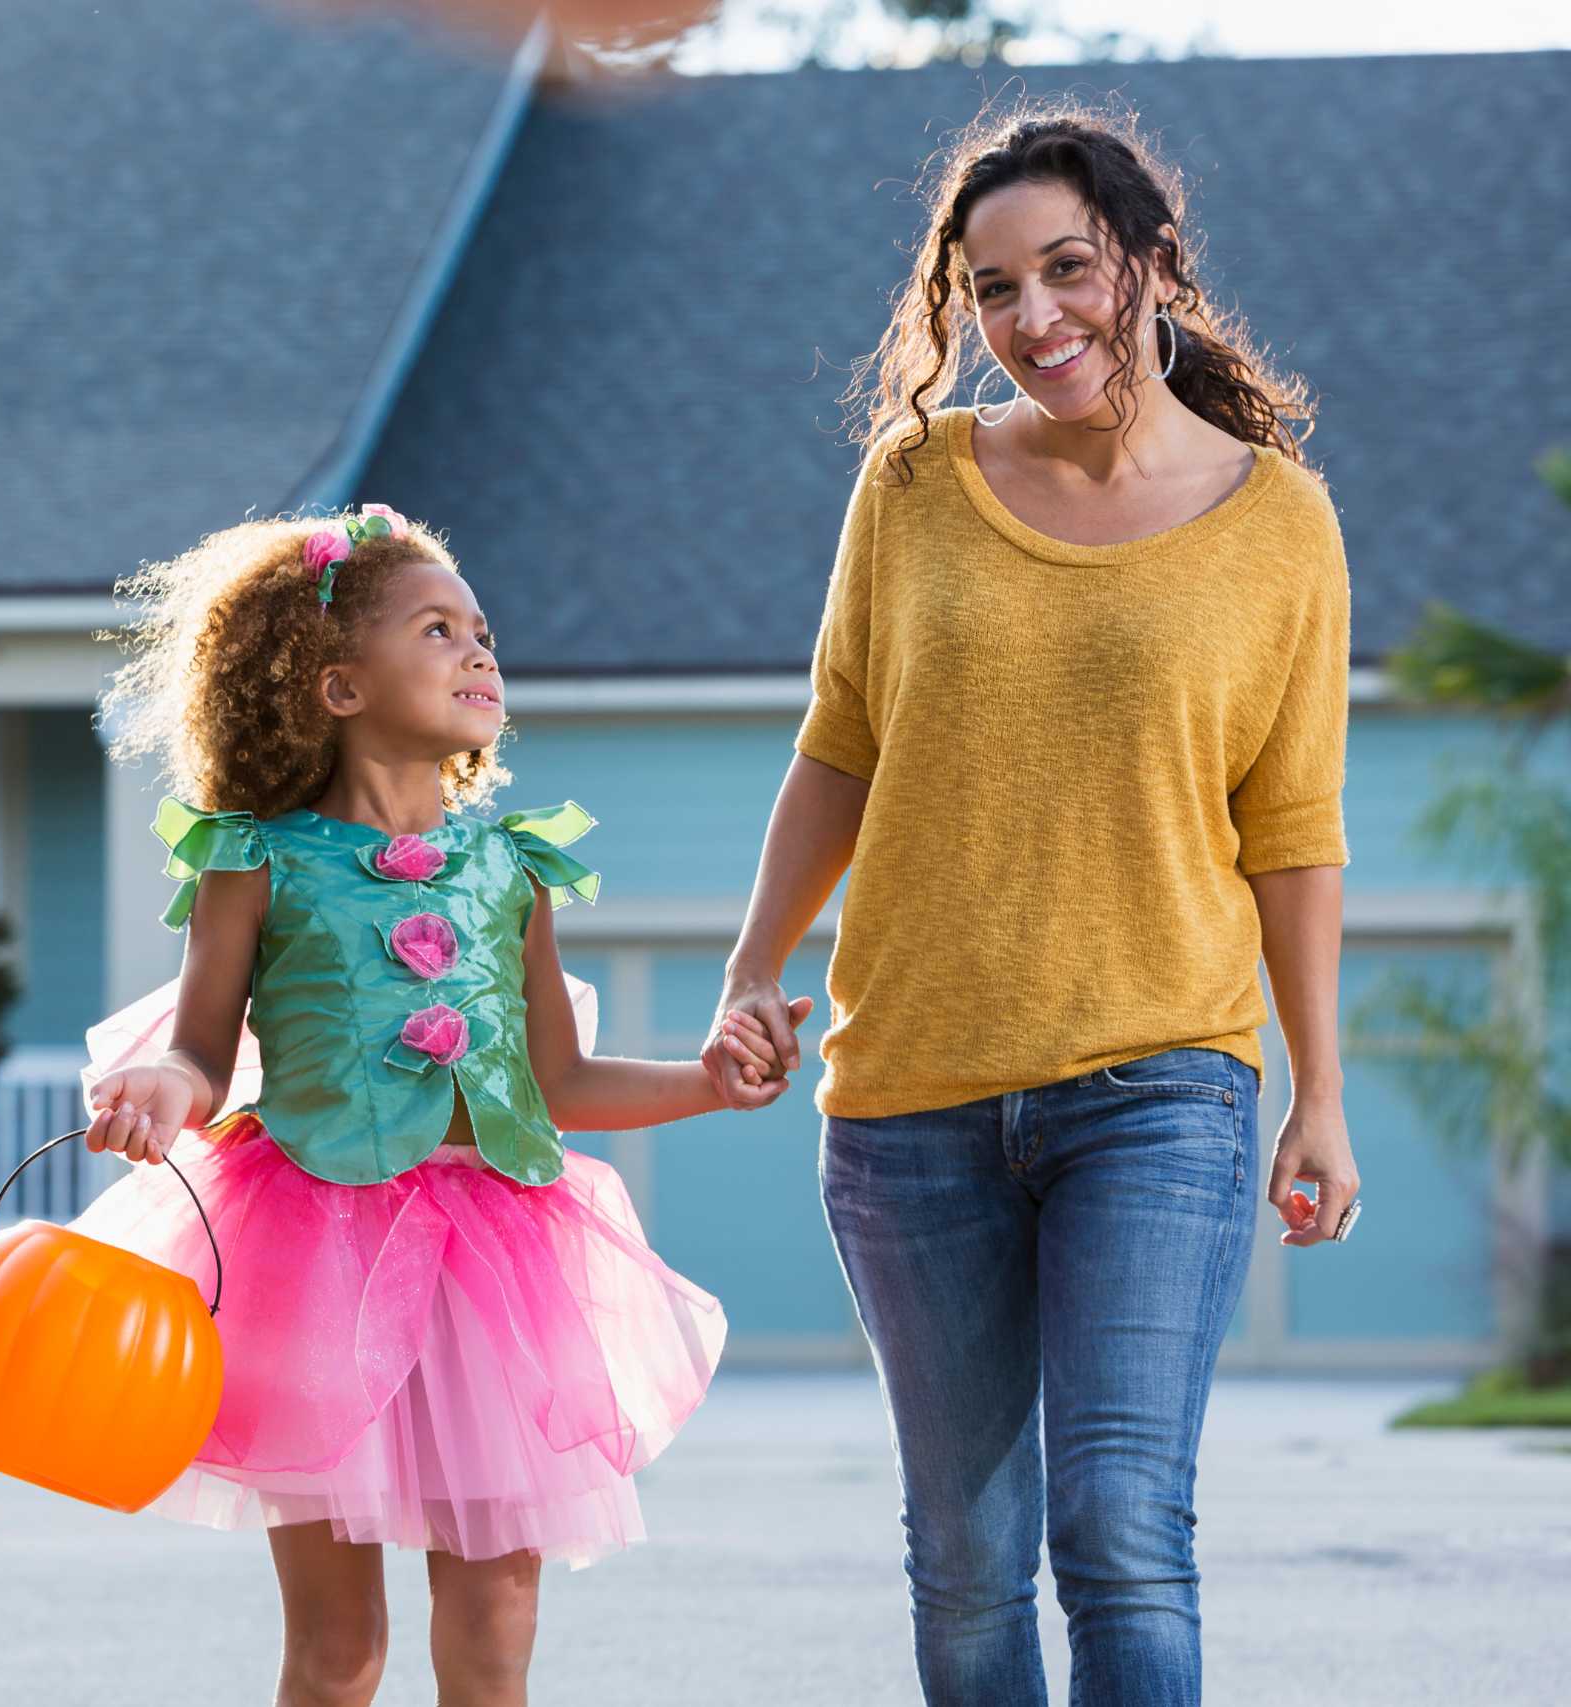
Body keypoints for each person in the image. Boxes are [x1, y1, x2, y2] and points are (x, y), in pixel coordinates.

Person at [703, 104, 1359, 1707]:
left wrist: (1320, 1089)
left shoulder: (1279, 521)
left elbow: (1294, 829)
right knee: (968, 1556)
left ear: (1147, 262)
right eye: (993, 290)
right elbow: (840, 749)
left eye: (1068, 269)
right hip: (912, 1090)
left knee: (1121, 1526)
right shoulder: (915, 481)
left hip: (1161, 1082)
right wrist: (750, 970)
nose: (1034, 318)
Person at [72, 507, 808, 1707]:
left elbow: (558, 1085)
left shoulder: (509, 866)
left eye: (484, 634)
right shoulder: (251, 860)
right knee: (338, 1648)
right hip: (315, 1254)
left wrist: (705, 1086)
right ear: (338, 686)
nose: (480, 654)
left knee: (494, 1628)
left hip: (496, 1263)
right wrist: (169, 1083)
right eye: (438, 629)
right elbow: (205, 1051)